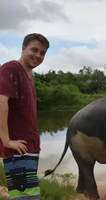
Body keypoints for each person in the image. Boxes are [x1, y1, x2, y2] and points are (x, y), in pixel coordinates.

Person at [0, 33, 49, 200]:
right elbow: (1, 102)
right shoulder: (11, 68)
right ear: (23, 48)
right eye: (34, 50)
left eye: (42, 53)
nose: (38, 56)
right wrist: (6, 140)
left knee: (27, 196)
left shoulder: (28, 76)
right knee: (26, 197)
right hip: (17, 149)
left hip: (28, 147)